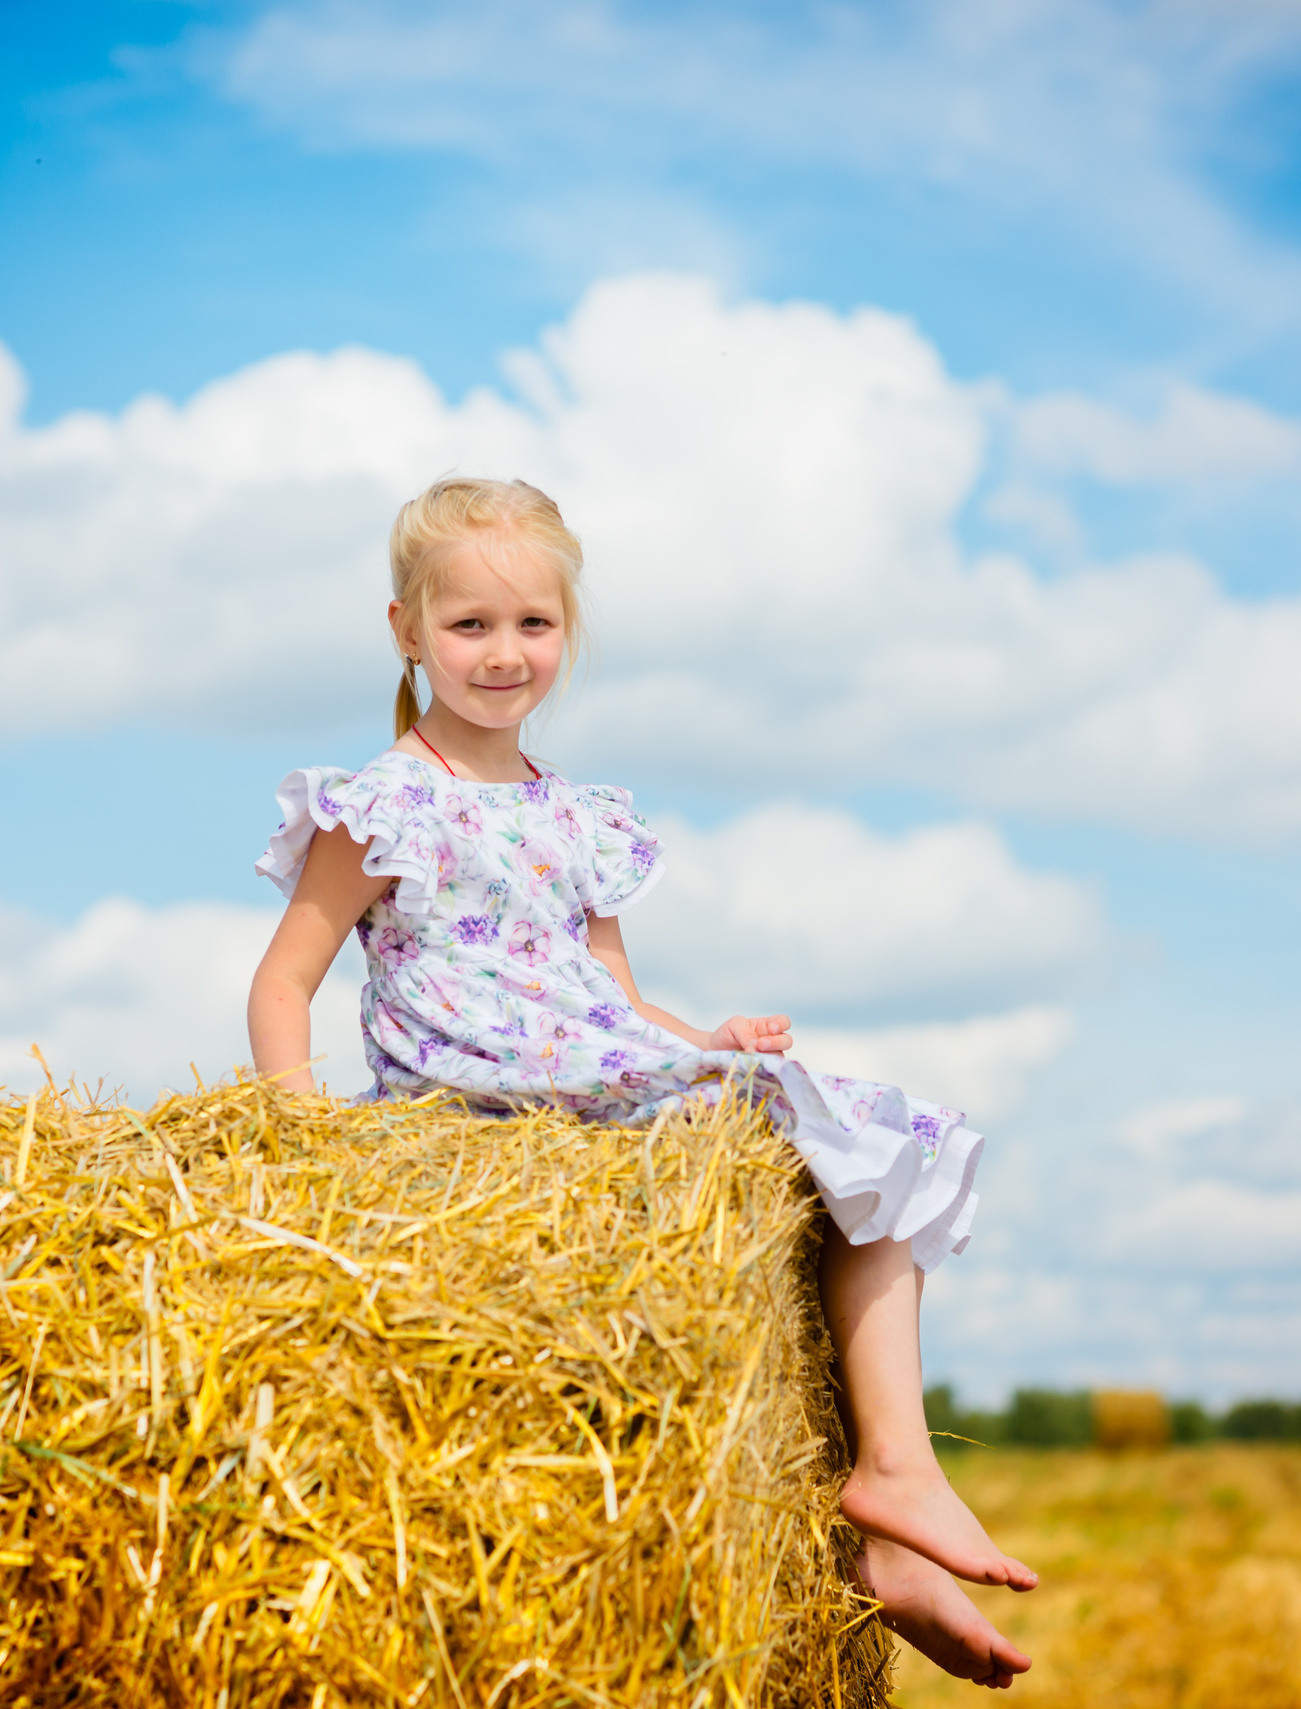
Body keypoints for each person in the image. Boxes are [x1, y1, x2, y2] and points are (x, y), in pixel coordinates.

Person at [247, 477, 1035, 1688]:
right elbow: (281, 984)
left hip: (585, 1061)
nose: (502, 654)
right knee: (810, 1127)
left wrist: (705, 1037)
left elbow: (611, 997)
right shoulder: (382, 806)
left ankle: (890, 1484)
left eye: (532, 624)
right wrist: (302, 1137)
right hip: (476, 1084)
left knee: (860, 1132)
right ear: (406, 630)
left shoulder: (581, 816)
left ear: (566, 630)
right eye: (467, 625)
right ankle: (891, 1490)